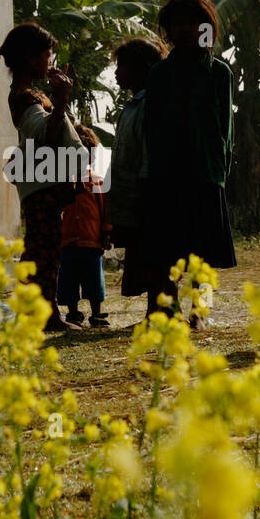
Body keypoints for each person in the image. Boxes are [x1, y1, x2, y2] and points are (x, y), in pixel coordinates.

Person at [142, 0, 237, 321]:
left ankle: (201, 311)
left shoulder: (219, 74)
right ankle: (168, 310)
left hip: (207, 175)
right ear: (168, 30)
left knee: (205, 252)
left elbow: (226, 130)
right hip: (168, 176)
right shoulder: (159, 75)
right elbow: (150, 128)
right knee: (168, 250)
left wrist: (221, 171)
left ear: (205, 27)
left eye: (191, 22)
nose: (184, 29)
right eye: (177, 23)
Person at [0, 21, 82, 334]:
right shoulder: (25, 97)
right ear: (31, 58)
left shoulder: (31, 94)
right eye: (47, 55)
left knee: (42, 247)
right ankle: (46, 314)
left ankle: (37, 311)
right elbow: (46, 137)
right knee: (44, 249)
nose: (51, 62)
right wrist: (62, 99)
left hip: (42, 183)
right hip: (40, 186)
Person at [106, 36, 166, 315]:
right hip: (133, 193)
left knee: (155, 256)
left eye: (122, 66)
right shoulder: (133, 105)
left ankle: (161, 312)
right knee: (146, 254)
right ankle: (155, 312)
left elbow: (148, 152)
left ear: (142, 68)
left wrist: (145, 190)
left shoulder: (150, 104)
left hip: (146, 191)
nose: (117, 73)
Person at [57, 125, 113, 327]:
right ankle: (73, 314)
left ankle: (97, 314)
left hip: (92, 242)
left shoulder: (98, 182)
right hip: (68, 242)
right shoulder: (63, 182)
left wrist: (106, 233)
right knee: (69, 280)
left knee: (94, 282)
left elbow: (105, 210)